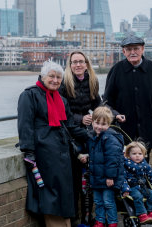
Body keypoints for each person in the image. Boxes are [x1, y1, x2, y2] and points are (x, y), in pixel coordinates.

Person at [17, 60, 89, 227]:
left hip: (62, 152)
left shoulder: (61, 100)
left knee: (64, 192)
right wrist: (28, 151)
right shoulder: (29, 95)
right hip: (44, 152)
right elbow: (24, 125)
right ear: (43, 77)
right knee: (51, 193)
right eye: (51, 76)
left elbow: (69, 126)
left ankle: (65, 223)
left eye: (58, 78)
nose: (55, 80)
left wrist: (92, 135)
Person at [103, 34, 152, 155]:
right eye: (128, 49)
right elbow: (107, 102)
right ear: (123, 51)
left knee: (144, 167)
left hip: (147, 129)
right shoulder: (116, 70)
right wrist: (116, 117)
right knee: (123, 168)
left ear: (142, 49)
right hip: (123, 130)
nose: (132, 52)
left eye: (136, 48)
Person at [59, 51, 101, 226]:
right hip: (71, 134)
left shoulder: (92, 81)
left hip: (86, 133)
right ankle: (75, 218)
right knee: (75, 179)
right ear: (70, 65)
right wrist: (80, 118)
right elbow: (61, 112)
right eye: (74, 62)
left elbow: (97, 104)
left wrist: (107, 115)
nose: (77, 65)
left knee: (90, 177)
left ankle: (88, 216)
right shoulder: (64, 83)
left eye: (81, 62)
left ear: (86, 64)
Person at [83, 106, 128, 227]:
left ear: (109, 124)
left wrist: (110, 177)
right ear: (92, 122)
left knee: (108, 202)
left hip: (108, 179)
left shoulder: (110, 138)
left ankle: (113, 222)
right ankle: (100, 221)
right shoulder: (93, 137)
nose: (99, 126)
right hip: (97, 177)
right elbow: (95, 156)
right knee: (98, 202)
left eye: (103, 124)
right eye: (97, 123)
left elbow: (112, 160)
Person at [122, 141, 152, 224]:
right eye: (134, 154)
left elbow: (151, 174)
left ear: (144, 155)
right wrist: (125, 189)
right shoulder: (126, 165)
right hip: (132, 187)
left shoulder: (145, 165)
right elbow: (122, 178)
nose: (137, 156)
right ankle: (142, 215)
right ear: (128, 155)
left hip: (143, 186)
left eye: (140, 154)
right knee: (138, 196)